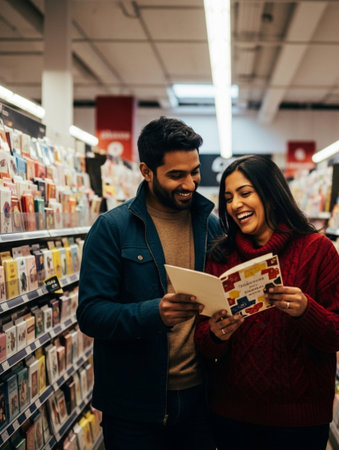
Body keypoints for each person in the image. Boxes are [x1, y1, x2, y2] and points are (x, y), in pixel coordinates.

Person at [77, 116, 221, 450]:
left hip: (200, 397)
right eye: (176, 175)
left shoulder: (211, 226)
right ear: (146, 171)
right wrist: (154, 313)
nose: (190, 183)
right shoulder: (112, 228)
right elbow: (91, 314)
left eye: (195, 171)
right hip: (134, 405)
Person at [195, 155, 339, 450]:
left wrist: (307, 310)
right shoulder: (221, 256)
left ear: (271, 192)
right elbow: (202, 339)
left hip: (299, 422)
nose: (234, 205)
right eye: (228, 197)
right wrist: (217, 334)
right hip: (232, 416)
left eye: (245, 193)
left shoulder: (318, 250)